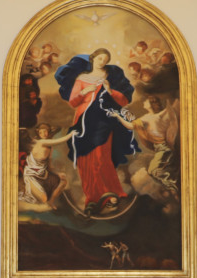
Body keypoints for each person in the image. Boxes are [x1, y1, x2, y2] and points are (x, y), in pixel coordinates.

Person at [55, 48, 138, 215]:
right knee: (85, 160)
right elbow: (73, 102)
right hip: (83, 121)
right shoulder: (82, 79)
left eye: (105, 59)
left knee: (101, 156)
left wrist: (109, 90)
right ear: (93, 59)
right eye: (100, 58)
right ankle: (92, 197)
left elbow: (122, 100)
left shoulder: (109, 78)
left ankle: (108, 192)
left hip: (103, 120)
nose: (102, 61)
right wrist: (84, 91)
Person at [20, 123, 76, 208]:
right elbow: (59, 141)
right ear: (39, 134)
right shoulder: (41, 142)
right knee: (43, 199)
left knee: (63, 181)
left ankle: (51, 201)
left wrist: (58, 174)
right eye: (41, 132)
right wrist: (71, 135)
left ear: (48, 132)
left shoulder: (49, 148)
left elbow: (49, 166)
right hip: (32, 176)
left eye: (45, 131)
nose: (44, 134)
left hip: (42, 175)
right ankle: (25, 194)